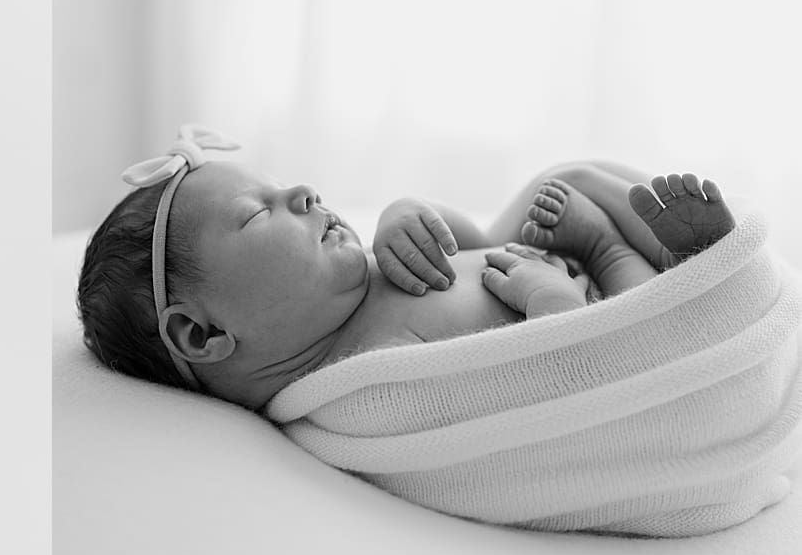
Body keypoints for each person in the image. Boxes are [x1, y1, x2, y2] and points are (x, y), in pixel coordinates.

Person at [77, 128, 736, 413]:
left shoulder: (353, 290)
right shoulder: (365, 381)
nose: (304, 191)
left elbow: (472, 245)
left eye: (281, 184)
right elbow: (545, 395)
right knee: (641, 312)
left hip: (541, 271)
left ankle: (652, 257)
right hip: (599, 330)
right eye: (260, 212)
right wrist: (552, 305)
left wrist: (408, 213)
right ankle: (674, 267)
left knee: (559, 183)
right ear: (201, 333)